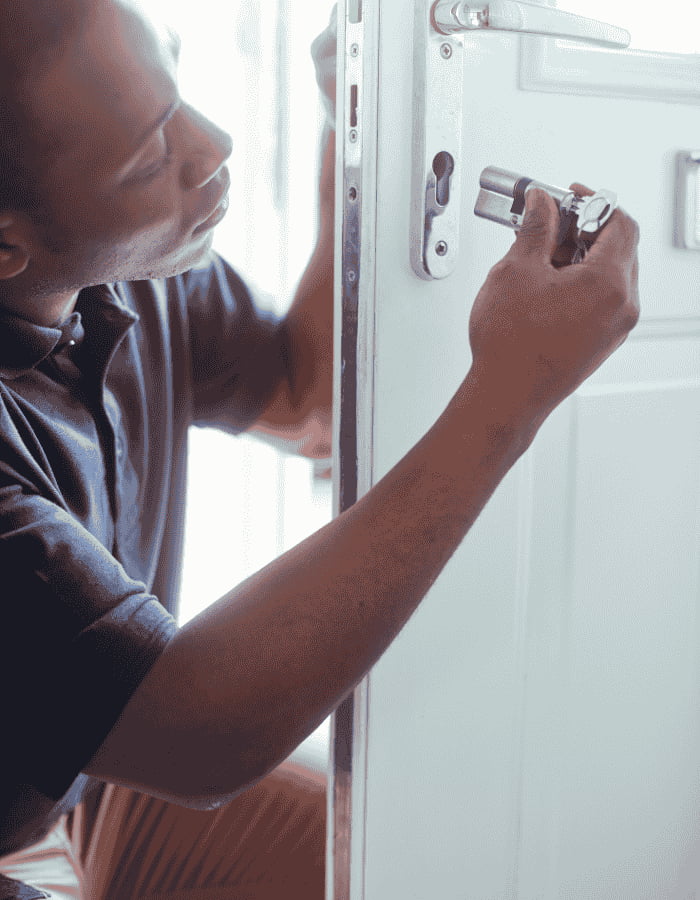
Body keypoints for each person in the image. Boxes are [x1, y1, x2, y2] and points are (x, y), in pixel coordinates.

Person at [0, 1, 639, 898]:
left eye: (178, 88)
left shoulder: (115, 275)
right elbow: (198, 734)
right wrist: (509, 395)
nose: (214, 143)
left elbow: (302, 398)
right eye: (150, 160)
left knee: (396, 858)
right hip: (95, 777)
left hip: (70, 788)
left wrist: (356, 118)